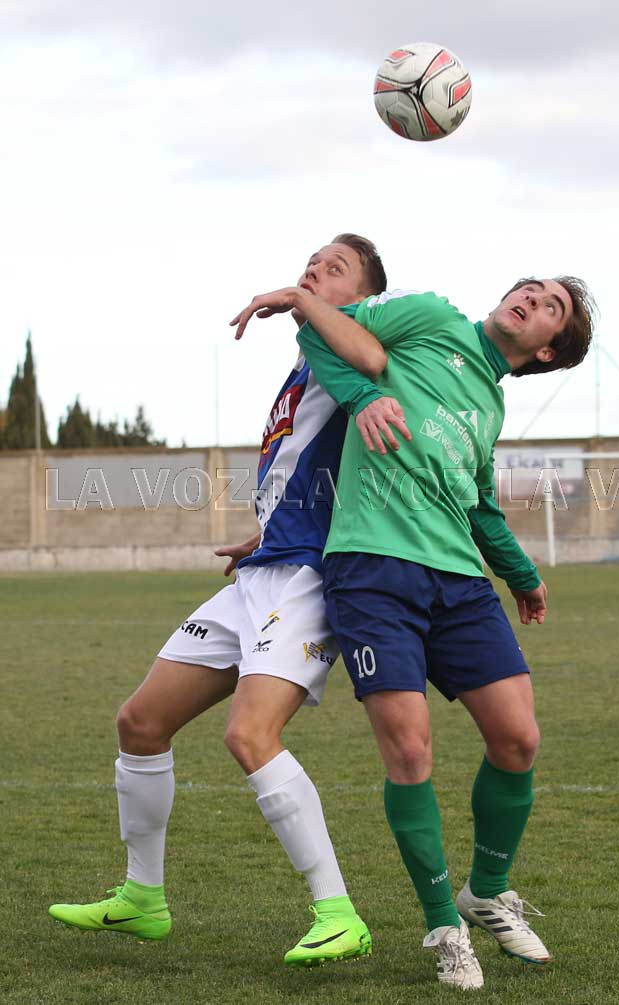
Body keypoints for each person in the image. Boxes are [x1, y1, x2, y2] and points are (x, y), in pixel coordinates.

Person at [231, 275, 596, 991]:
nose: (530, 296)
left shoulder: (489, 404)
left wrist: (522, 574)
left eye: (550, 304)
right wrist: (361, 395)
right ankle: (445, 927)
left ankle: (485, 892)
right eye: (530, 286)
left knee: (518, 737)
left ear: (548, 350)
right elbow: (318, 327)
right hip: (371, 572)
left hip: (459, 582)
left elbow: (479, 504)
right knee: (410, 748)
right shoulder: (431, 317)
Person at [48, 234, 391, 967]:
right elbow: (307, 472)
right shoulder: (307, 362)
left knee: (250, 734)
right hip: (262, 569)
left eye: (334, 268)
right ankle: (143, 898)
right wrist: (262, 532)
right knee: (141, 722)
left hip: (307, 579)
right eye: (310, 263)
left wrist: (299, 299)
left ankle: (339, 913)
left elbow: (372, 360)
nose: (313, 270)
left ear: (363, 298)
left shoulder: (347, 350)